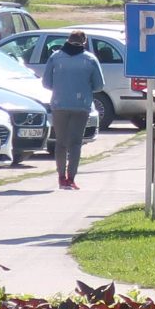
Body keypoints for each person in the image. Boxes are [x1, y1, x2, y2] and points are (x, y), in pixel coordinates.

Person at [42, 31, 105, 191]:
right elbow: (99, 86)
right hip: (81, 105)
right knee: (75, 143)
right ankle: (71, 178)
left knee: (61, 143)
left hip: (59, 104)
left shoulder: (55, 57)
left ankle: (61, 177)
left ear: (67, 41)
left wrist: (61, 87)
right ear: (84, 42)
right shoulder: (90, 59)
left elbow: (46, 83)